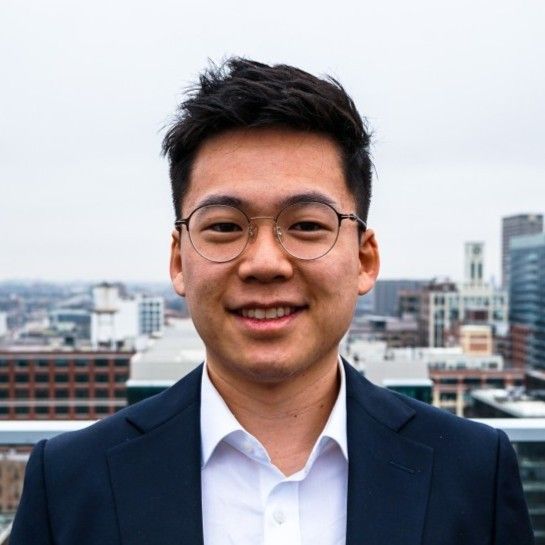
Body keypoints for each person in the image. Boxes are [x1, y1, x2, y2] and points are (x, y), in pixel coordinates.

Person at [12, 58, 533, 545]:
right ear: (178, 260)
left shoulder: (473, 471)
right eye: (223, 227)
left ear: (365, 259)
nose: (265, 263)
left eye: (306, 225)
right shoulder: (69, 482)